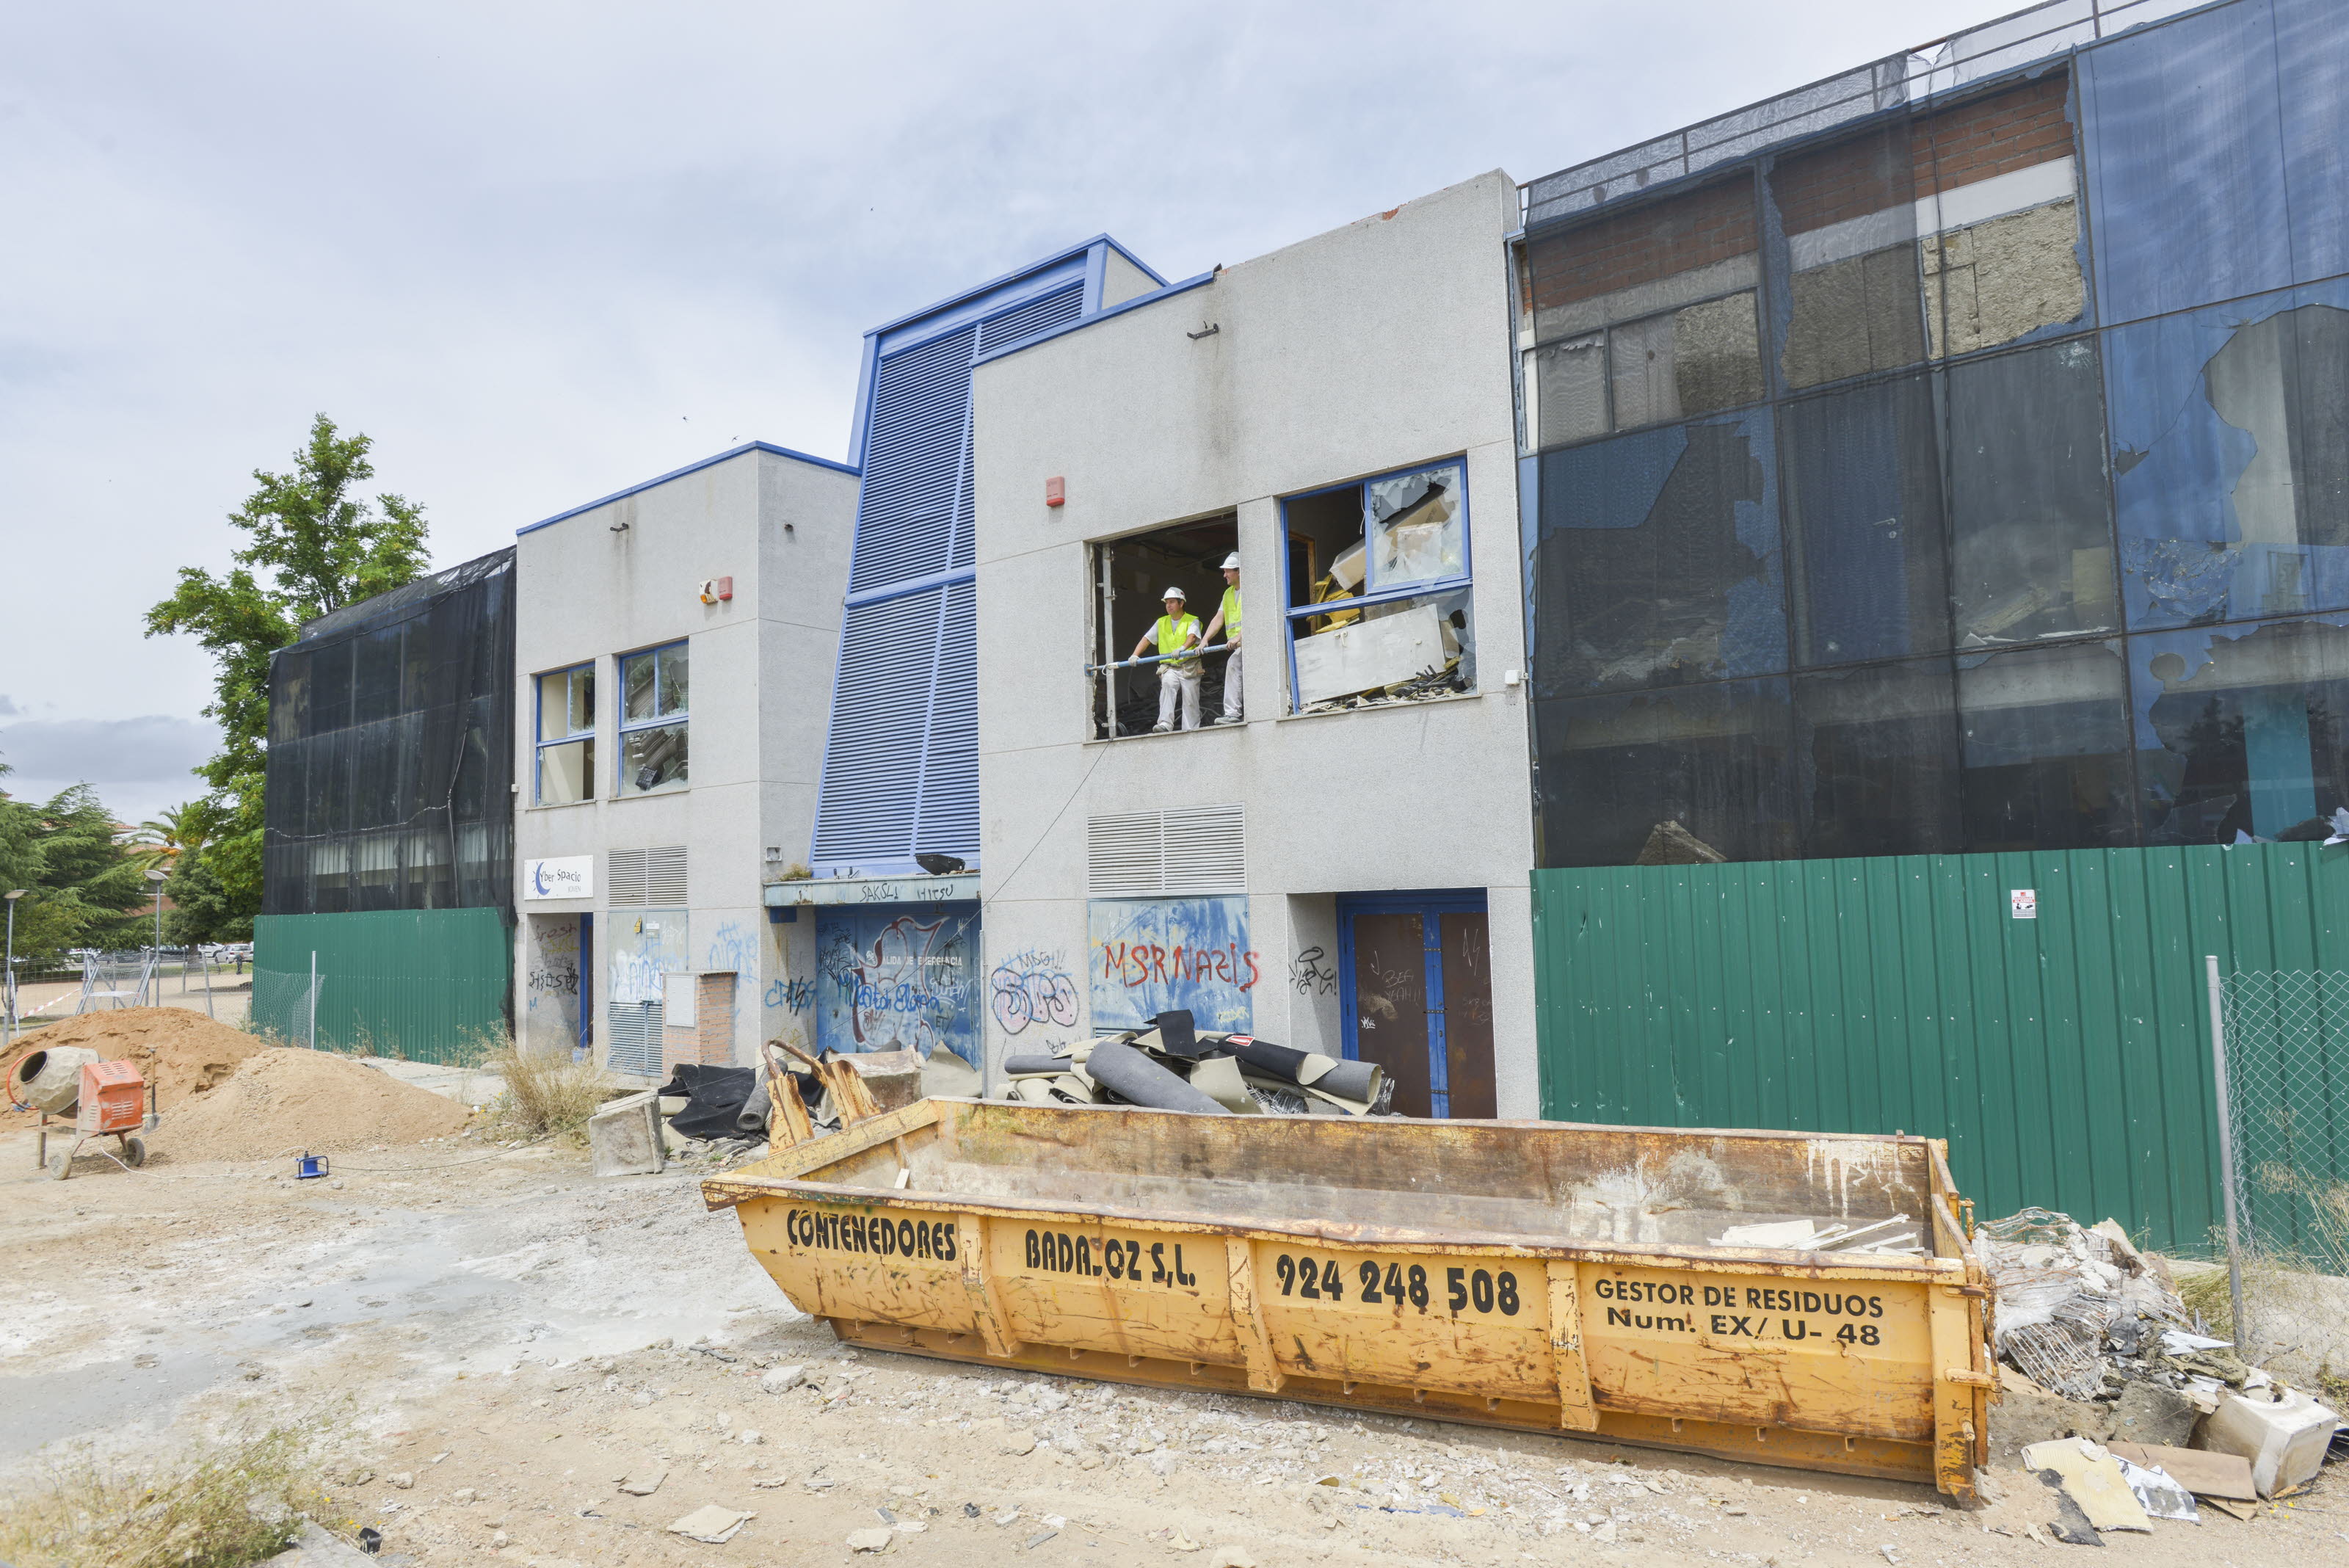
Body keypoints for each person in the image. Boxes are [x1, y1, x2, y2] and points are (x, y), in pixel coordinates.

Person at [1130, 587, 1202, 732]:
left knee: (1190, 700)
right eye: (1166, 602)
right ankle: (1165, 724)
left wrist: (1182, 648)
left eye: (1172, 602)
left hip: (1189, 666)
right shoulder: (1161, 622)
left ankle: (1191, 730)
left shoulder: (1192, 620)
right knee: (1168, 686)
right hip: (1170, 667)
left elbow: (1192, 636)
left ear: (1181, 604)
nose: (1168, 605)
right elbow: (1147, 639)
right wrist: (1135, 654)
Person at [1199, 551, 1243, 725]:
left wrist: (1239, 636)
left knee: (1233, 664)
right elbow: (1218, 618)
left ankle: (1233, 713)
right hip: (1239, 644)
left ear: (1238, 571)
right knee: (1235, 667)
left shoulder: (1251, 590)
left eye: (1227, 571)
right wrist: (1205, 640)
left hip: (1253, 642)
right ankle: (1234, 713)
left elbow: (1254, 617)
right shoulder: (1228, 593)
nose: (1224, 575)